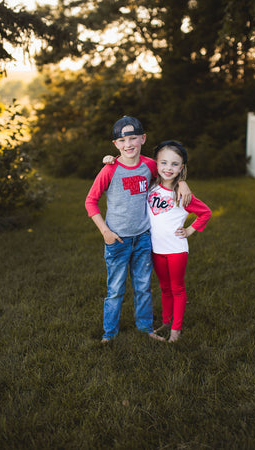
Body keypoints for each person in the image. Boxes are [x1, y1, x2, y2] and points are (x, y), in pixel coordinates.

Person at [85, 117, 191, 343]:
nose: (128, 144)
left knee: (143, 287)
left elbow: (168, 172)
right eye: (122, 140)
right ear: (115, 144)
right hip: (117, 240)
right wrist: (105, 231)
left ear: (143, 139)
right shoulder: (110, 170)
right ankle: (109, 334)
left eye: (133, 138)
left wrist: (182, 182)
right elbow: (90, 201)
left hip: (143, 238)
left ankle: (145, 328)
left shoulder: (150, 165)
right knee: (115, 290)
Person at [147, 140, 212, 342]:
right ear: (156, 164)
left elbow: (206, 212)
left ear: (181, 167)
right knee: (164, 288)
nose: (168, 168)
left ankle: (176, 330)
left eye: (174, 164)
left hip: (176, 249)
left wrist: (190, 230)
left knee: (177, 289)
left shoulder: (183, 194)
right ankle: (166, 321)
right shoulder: (151, 186)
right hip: (156, 248)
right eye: (163, 163)